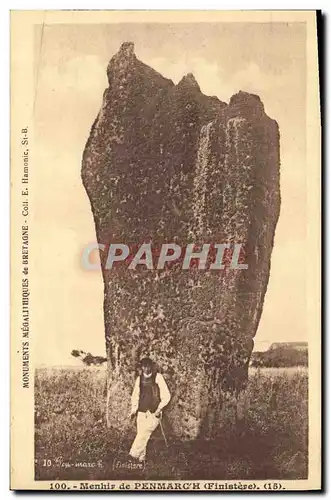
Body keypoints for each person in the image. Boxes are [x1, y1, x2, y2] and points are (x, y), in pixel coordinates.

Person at [129, 357, 171, 462]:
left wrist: (159, 408)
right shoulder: (139, 379)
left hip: (154, 412)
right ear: (141, 367)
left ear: (151, 366)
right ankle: (141, 459)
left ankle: (131, 456)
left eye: (148, 366)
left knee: (145, 432)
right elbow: (135, 395)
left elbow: (166, 395)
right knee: (141, 434)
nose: (146, 368)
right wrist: (134, 409)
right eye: (144, 366)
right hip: (141, 411)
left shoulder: (158, 377)